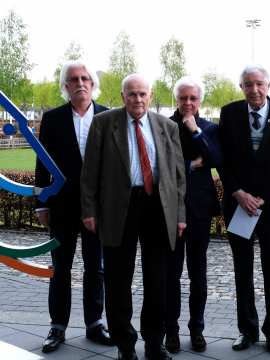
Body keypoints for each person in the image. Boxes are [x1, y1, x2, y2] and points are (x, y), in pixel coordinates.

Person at [80, 74, 186, 360]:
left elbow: (178, 176)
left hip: (157, 208)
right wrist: (89, 210)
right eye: (131, 94)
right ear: (122, 95)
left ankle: (154, 342)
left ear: (150, 95)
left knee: (157, 280)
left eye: (142, 94)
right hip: (117, 208)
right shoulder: (104, 124)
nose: (137, 99)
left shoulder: (167, 127)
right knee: (117, 280)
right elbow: (89, 173)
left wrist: (180, 215)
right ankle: (125, 345)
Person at [218, 64, 270, 354]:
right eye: (247, 84)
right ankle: (247, 330)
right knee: (242, 271)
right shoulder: (229, 114)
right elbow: (222, 159)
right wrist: (238, 193)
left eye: (259, 84)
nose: (253, 89)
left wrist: (264, 198)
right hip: (238, 205)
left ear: (269, 85)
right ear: (241, 87)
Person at [35, 60, 113, 353]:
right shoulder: (53, 119)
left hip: (98, 209)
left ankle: (95, 323)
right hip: (62, 207)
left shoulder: (108, 116)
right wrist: (41, 204)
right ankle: (58, 326)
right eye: (73, 79)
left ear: (93, 84)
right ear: (65, 86)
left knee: (97, 267)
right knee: (60, 268)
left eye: (85, 78)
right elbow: (42, 163)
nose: (80, 83)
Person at [164, 76, 222, 353]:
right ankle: (171, 331)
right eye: (183, 98)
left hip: (199, 210)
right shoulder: (164, 127)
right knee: (171, 275)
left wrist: (196, 131)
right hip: (169, 210)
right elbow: (163, 163)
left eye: (193, 98)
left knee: (198, 275)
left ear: (200, 100)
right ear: (176, 99)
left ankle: (196, 329)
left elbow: (217, 159)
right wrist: (192, 163)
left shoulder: (210, 127)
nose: (187, 103)